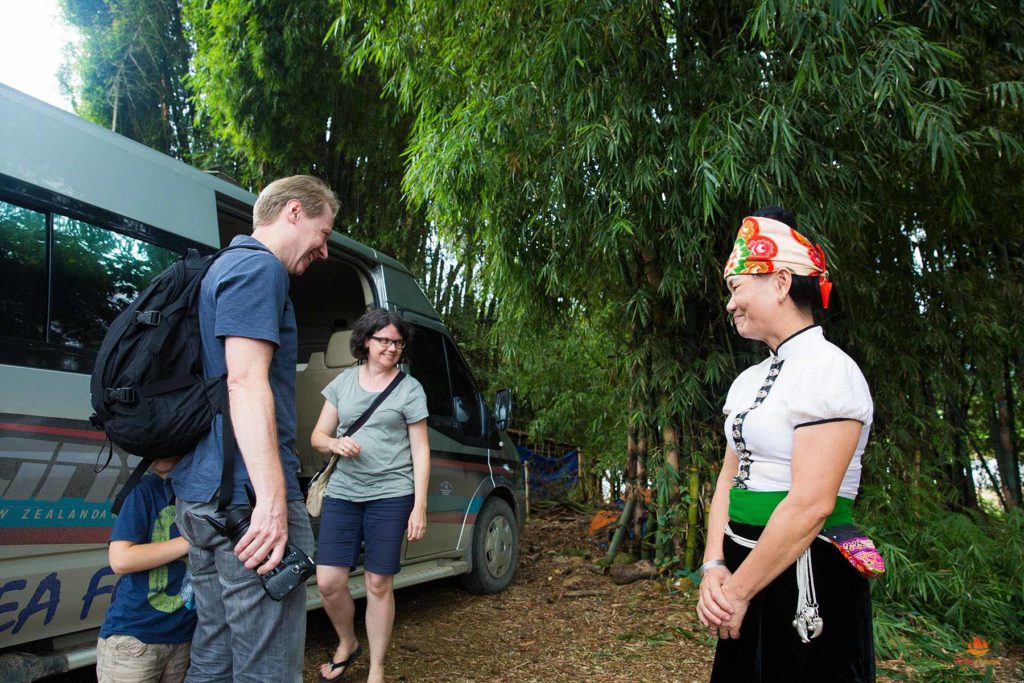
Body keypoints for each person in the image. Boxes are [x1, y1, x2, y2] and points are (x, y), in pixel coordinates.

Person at [170, 175, 339, 682]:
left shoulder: (220, 268)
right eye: (323, 232)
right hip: (247, 503)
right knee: (267, 667)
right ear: (293, 212)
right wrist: (272, 501)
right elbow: (244, 381)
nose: (325, 251)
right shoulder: (260, 269)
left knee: (215, 656)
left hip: (204, 498)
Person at [697, 207, 876, 681]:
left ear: (779, 283)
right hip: (741, 564)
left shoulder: (829, 371)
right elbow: (729, 477)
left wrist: (737, 592)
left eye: (736, 288)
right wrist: (714, 566)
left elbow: (811, 505)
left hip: (807, 568)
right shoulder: (746, 381)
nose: (730, 303)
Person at [311, 309, 430, 683]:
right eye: (384, 340)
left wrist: (419, 507)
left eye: (397, 342)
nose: (391, 348)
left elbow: (421, 451)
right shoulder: (343, 384)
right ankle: (347, 642)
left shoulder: (409, 389)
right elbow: (317, 437)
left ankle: (376, 667)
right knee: (329, 581)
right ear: (366, 341)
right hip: (344, 493)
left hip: (391, 494)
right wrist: (335, 442)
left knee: (379, 583)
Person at [97, 455, 195, 683]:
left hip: (183, 640)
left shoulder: (202, 493)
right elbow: (120, 559)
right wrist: (191, 541)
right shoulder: (144, 491)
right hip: (136, 640)